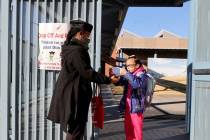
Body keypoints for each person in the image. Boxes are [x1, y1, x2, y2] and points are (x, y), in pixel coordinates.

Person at [47, 20, 110, 140]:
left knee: (75, 128)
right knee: (76, 129)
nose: (88, 39)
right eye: (87, 35)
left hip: (72, 93)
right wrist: (108, 80)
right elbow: (87, 73)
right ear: (80, 34)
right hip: (75, 95)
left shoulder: (70, 48)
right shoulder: (77, 50)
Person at [110, 55, 147, 140]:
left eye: (129, 65)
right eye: (126, 65)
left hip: (136, 107)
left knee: (136, 131)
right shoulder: (131, 74)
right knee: (128, 130)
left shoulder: (142, 74)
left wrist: (126, 73)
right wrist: (115, 80)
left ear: (137, 65)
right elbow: (122, 82)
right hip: (128, 107)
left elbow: (137, 85)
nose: (127, 67)